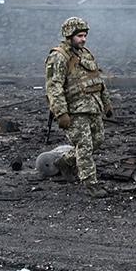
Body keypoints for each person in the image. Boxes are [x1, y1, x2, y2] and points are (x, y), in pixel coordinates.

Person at [45, 17, 112, 198]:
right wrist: (61, 113)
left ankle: (65, 162)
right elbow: (54, 87)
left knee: (98, 140)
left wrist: (106, 103)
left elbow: (97, 80)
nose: (83, 39)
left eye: (85, 35)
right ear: (69, 36)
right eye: (80, 36)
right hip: (75, 110)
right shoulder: (58, 57)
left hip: (93, 107)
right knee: (84, 147)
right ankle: (91, 184)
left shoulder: (85, 53)